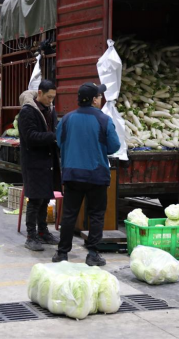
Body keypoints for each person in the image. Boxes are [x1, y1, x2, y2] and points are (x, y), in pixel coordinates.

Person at [52, 82, 120, 266]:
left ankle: (62, 253)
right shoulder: (104, 120)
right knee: (96, 214)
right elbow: (114, 147)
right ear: (94, 99)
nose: (101, 99)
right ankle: (92, 254)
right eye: (99, 96)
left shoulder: (66, 119)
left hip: (72, 174)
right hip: (96, 175)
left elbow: (59, 142)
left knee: (69, 214)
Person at [18, 79, 61, 251]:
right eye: (49, 97)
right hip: (33, 162)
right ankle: (31, 236)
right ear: (40, 93)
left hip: (48, 160)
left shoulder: (50, 110)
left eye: (53, 98)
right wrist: (53, 136)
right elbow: (30, 137)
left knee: (45, 198)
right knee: (35, 199)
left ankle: (43, 232)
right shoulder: (28, 112)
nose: (51, 101)